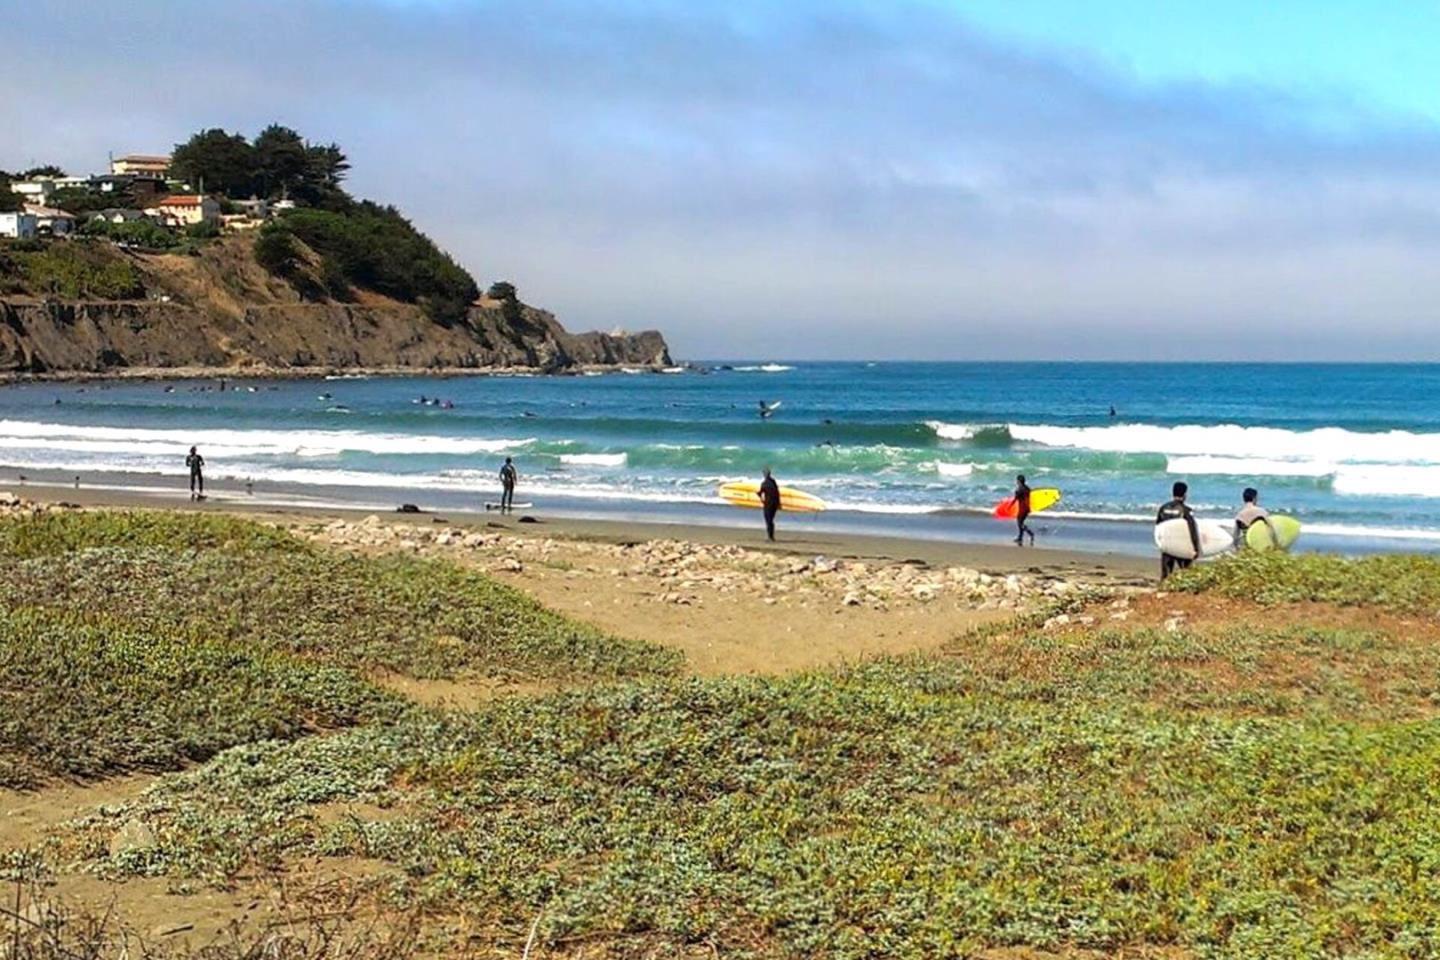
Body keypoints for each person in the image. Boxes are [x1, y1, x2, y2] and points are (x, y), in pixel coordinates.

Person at [1156, 480, 1200, 580]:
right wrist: (1195, 548)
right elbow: (1192, 530)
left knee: (1166, 576)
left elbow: (1158, 528)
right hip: (1181, 545)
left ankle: (1163, 591)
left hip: (1167, 546)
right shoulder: (1186, 510)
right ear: (1185, 494)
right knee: (1186, 574)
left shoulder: (1163, 508)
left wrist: (1161, 545)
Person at [758, 467, 781, 541]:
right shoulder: (773, 482)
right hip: (774, 504)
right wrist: (778, 504)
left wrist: (759, 496)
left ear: (764, 474)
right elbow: (777, 493)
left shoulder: (764, 484)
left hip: (768, 504)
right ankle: (772, 537)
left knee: (768, 521)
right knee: (771, 521)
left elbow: (760, 493)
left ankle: (770, 537)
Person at [1013, 474, 1035, 547]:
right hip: (1027, 508)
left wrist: (1010, 505)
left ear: (1019, 481)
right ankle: (1020, 537)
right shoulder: (1027, 488)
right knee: (1021, 522)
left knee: (1020, 523)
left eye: (1017, 480)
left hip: (1022, 508)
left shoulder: (1020, 489)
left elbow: (1016, 498)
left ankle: (1030, 533)